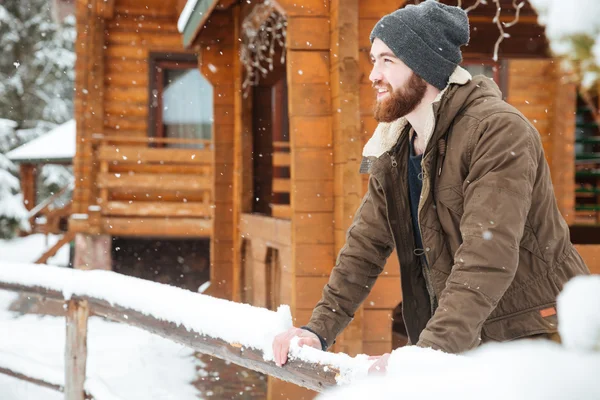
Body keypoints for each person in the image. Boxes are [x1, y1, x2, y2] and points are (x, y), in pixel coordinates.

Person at [272, 0, 590, 371]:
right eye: (373, 60)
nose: (373, 74)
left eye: (387, 60)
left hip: (538, 336)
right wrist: (318, 329)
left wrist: (426, 354)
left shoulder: (497, 131)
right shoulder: (397, 144)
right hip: (464, 339)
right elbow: (365, 246)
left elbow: (488, 256)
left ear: (425, 68)